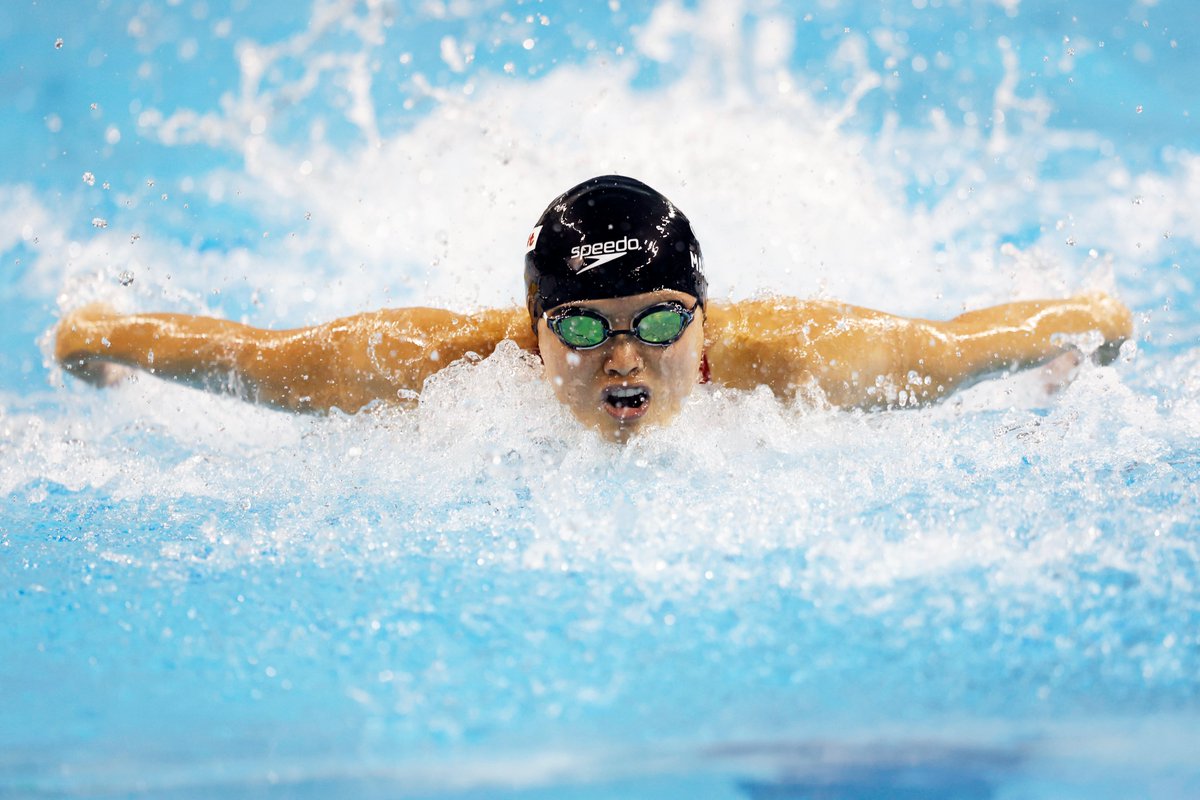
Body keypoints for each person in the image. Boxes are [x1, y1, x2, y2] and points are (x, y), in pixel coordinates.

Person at [55, 175, 1132, 442]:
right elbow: (257, 354)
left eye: (660, 320)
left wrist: (1092, 331)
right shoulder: (422, 365)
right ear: (531, 336)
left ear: (705, 323)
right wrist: (96, 340)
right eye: (581, 326)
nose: (625, 356)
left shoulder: (811, 360)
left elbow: (964, 343)